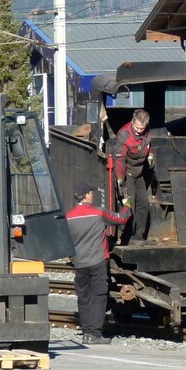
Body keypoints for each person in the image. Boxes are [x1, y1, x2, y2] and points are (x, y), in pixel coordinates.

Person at [66, 182, 131, 345]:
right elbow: (121, 219)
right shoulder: (98, 213)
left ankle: (87, 332)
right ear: (86, 195)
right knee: (98, 296)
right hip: (97, 261)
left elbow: (67, 241)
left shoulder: (69, 217)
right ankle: (95, 334)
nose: (93, 195)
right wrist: (127, 205)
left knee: (83, 297)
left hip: (80, 263)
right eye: (91, 193)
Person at [114, 108, 153, 242]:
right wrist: (120, 179)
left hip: (139, 171)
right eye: (137, 128)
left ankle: (139, 235)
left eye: (142, 128)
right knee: (130, 204)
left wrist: (151, 156)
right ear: (132, 122)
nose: (140, 131)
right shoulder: (124, 135)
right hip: (127, 172)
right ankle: (127, 235)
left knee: (143, 203)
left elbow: (149, 145)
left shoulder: (147, 132)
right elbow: (119, 159)